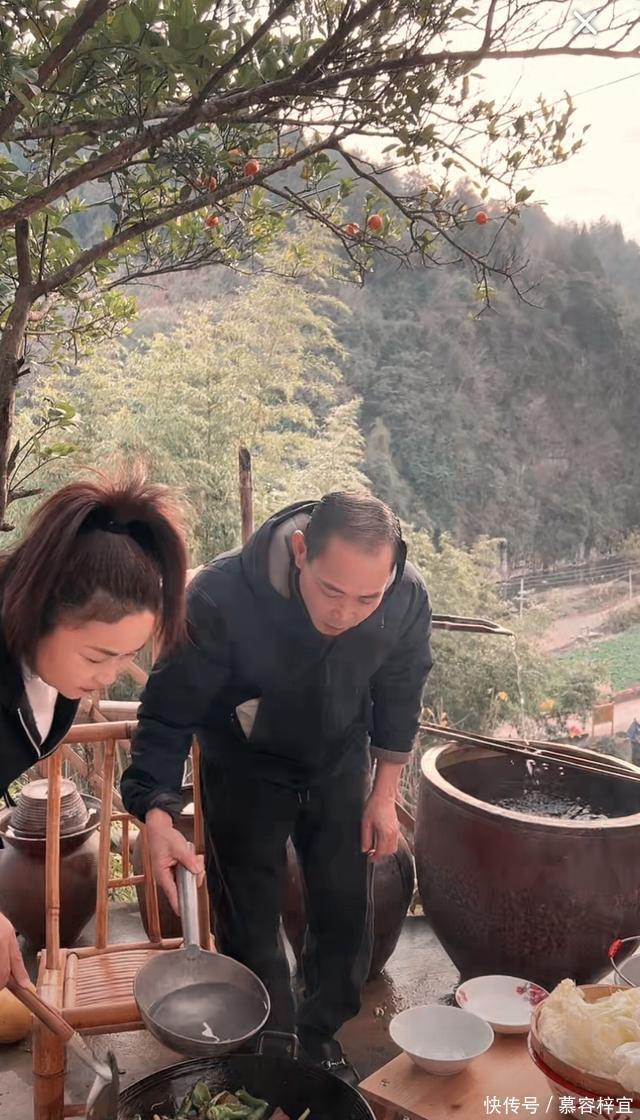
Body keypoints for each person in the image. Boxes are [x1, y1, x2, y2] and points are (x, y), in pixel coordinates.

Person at [121, 491, 433, 1080]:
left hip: (339, 759)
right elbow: (166, 713)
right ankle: (270, 1047)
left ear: (391, 576)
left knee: (345, 906)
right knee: (249, 915)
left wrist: (384, 794)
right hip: (244, 766)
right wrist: (156, 811)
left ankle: (319, 1035)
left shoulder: (405, 596)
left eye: (367, 598)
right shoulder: (219, 597)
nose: (345, 613)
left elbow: (401, 689)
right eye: (331, 590)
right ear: (300, 551)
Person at [0, 464, 196, 990]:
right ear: (39, 611)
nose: (109, 677)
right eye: (97, 656)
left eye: (127, 657)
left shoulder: (51, 680)